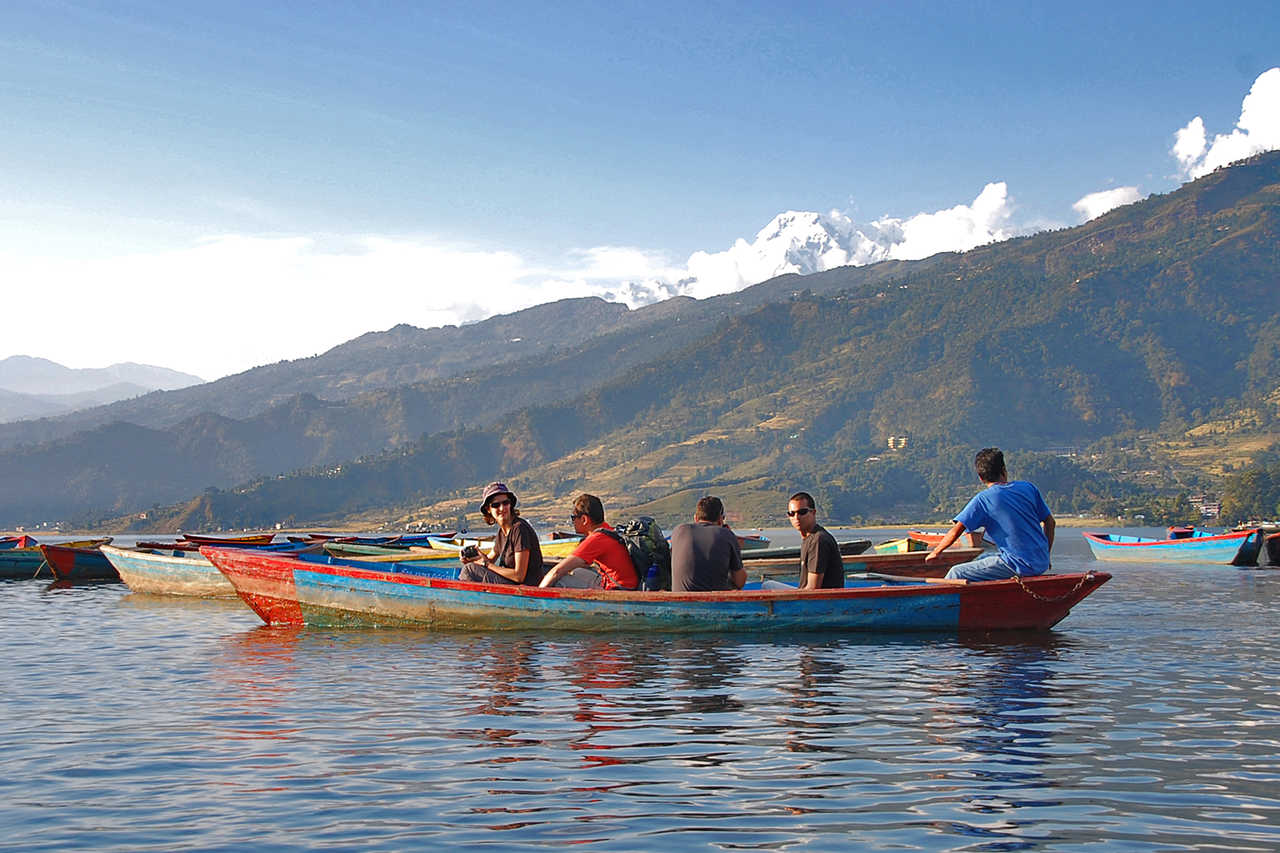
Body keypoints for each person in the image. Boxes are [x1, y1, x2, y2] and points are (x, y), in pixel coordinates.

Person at [925, 448, 1055, 581]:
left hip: (1017, 565)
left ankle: (942, 601)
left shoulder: (983, 499)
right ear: (1004, 470)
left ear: (980, 478)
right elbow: (1050, 522)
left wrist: (936, 552)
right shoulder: (1028, 488)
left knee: (956, 572)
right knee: (982, 559)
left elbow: (956, 531)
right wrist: (1045, 555)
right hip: (1041, 562)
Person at [539, 493, 639, 590]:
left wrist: (538, 594)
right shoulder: (608, 531)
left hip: (619, 589)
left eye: (573, 518)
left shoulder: (597, 538)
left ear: (584, 519)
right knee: (577, 571)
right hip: (626, 584)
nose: (572, 522)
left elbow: (556, 572)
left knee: (559, 579)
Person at [459, 482, 546, 586]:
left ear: (510, 505)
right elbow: (490, 559)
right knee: (470, 567)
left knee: (469, 570)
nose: (502, 508)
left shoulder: (519, 529)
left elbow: (519, 576)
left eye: (505, 503)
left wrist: (485, 564)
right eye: (496, 505)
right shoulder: (502, 532)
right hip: (512, 582)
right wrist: (473, 559)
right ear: (488, 510)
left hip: (526, 586)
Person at [669, 495, 746, 592]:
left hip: (680, 604)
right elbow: (740, 582)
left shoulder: (679, 530)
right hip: (715, 603)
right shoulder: (726, 534)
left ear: (696, 518)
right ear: (720, 519)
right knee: (769, 585)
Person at [788, 491, 844, 589]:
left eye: (802, 512)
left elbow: (813, 589)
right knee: (769, 585)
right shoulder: (808, 538)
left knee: (767, 587)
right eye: (791, 513)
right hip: (808, 597)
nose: (796, 517)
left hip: (821, 602)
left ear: (813, 513)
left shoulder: (818, 540)